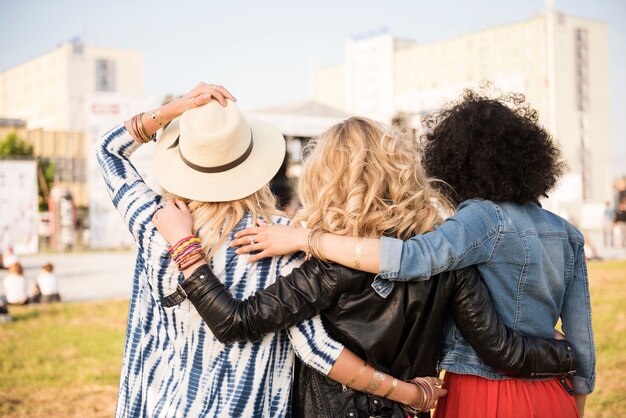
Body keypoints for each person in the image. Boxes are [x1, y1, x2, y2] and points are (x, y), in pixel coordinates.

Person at [154, 116, 577, 417]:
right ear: (403, 172)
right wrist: (569, 353)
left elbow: (234, 322)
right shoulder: (447, 259)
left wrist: (184, 246)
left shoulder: (325, 267)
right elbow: (501, 349)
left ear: (327, 181)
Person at [96, 83, 438, 418]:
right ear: (254, 162)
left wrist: (176, 109)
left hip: (158, 405)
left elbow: (109, 150)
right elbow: (316, 349)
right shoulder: (279, 238)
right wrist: (408, 392)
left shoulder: (154, 219)